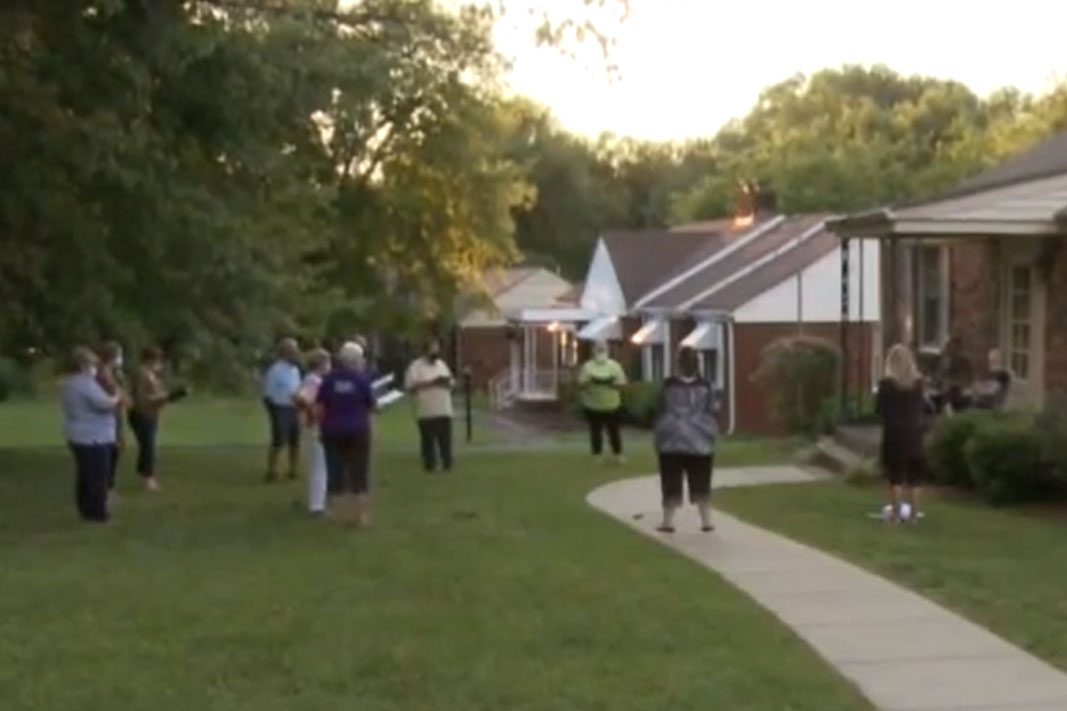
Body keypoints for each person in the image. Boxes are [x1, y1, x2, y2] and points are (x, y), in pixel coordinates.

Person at [653, 346, 718, 533]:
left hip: (671, 439)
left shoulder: (667, 385)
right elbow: (712, 409)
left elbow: (659, 408)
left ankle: (668, 522)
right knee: (702, 480)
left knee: (670, 480)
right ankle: (706, 521)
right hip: (700, 440)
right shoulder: (706, 386)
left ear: (678, 364)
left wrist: (660, 433)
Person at [317, 342, 377, 526]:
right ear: (357, 360)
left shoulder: (329, 380)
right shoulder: (362, 380)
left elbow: (320, 404)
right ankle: (361, 516)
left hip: (332, 430)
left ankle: (334, 513)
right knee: (359, 472)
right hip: (358, 430)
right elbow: (372, 405)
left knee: (334, 470)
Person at [61, 347, 123, 522]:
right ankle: (98, 512)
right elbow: (103, 404)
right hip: (94, 436)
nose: (94, 367)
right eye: (92, 364)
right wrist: (117, 397)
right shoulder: (85, 384)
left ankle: (85, 508)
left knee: (84, 475)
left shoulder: (68, 383)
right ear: (84, 365)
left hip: (77, 434)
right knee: (97, 476)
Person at [875, 344, 928, 523]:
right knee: (915, 477)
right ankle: (913, 515)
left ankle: (896, 514)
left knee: (895, 476)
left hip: (894, 434)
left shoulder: (886, 385)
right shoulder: (918, 383)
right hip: (915, 432)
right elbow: (921, 407)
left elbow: (880, 410)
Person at [128, 346, 185, 492]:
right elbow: (143, 399)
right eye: (157, 359)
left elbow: (157, 393)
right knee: (148, 446)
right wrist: (167, 396)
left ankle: (143, 475)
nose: (159, 363)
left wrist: (171, 396)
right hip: (142, 413)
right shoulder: (142, 374)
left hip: (151, 413)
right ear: (149, 360)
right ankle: (148, 478)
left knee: (147, 445)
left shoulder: (151, 374)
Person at [404, 338, 455, 473]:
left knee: (445, 440)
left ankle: (447, 464)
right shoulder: (415, 367)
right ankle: (430, 466)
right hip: (425, 411)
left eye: (437, 349)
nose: (435, 352)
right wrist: (431, 383)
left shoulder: (442, 365)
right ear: (426, 351)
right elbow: (410, 386)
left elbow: (451, 382)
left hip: (443, 409)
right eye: (433, 349)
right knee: (428, 442)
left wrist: (446, 383)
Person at [294, 348, 331, 516]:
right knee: (319, 466)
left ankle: (317, 500)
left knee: (318, 465)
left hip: (311, 427)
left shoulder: (312, 380)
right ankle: (316, 505)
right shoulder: (314, 381)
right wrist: (313, 413)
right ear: (322, 364)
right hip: (315, 427)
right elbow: (301, 398)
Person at [577, 340, 627, 463]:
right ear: (593, 350)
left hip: (611, 405)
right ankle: (597, 454)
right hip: (593, 405)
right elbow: (581, 384)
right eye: (598, 349)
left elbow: (622, 384)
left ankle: (618, 454)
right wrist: (590, 383)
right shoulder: (588, 367)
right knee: (596, 432)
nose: (600, 351)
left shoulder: (614, 366)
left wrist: (610, 384)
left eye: (602, 349)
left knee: (614, 432)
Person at [263, 337, 303, 482]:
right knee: (279, 440)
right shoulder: (276, 370)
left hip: (294, 407)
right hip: (280, 407)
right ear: (285, 352)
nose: (297, 353)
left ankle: (293, 470)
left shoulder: (295, 370)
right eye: (293, 350)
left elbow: (297, 388)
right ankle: (271, 471)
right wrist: (274, 411)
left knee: (295, 440)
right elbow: (268, 393)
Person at [96, 341, 127, 497]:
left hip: (115, 415)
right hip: (108, 416)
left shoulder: (113, 373)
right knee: (111, 451)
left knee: (116, 449)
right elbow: (115, 394)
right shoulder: (102, 373)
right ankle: (106, 487)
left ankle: (109, 485)